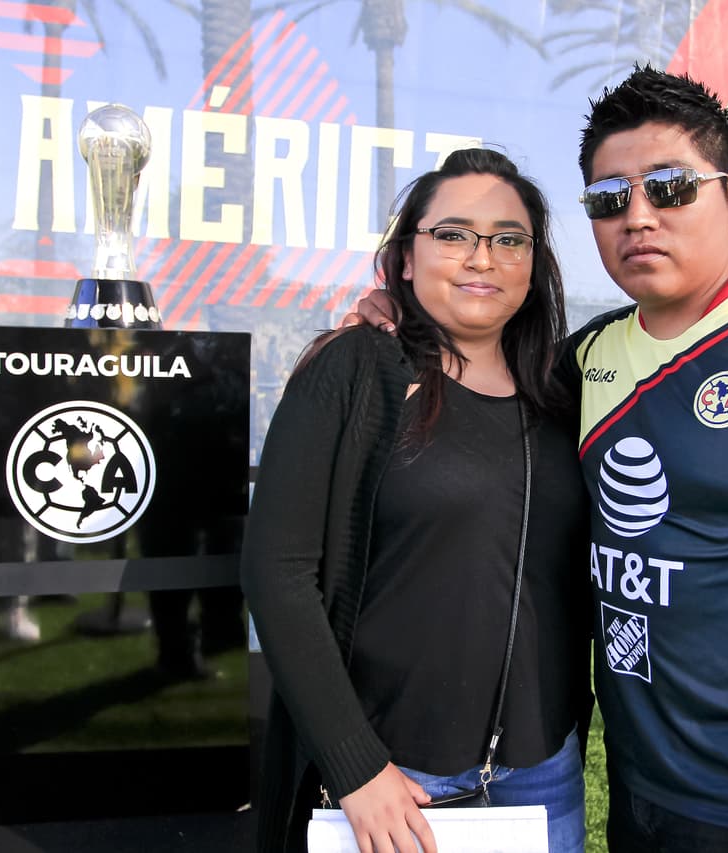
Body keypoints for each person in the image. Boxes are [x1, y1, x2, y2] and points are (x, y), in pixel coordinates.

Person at [351, 65, 728, 853]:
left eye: (670, 187)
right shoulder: (584, 359)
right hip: (635, 796)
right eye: (609, 199)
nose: (638, 217)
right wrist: (394, 315)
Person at [241, 147, 592, 853]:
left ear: (534, 261)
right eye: (453, 233)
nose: (481, 257)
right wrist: (356, 767)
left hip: (543, 778)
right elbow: (277, 573)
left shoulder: (569, 387)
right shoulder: (353, 369)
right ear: (405, 256)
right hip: (396, 784)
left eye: (508, 238)